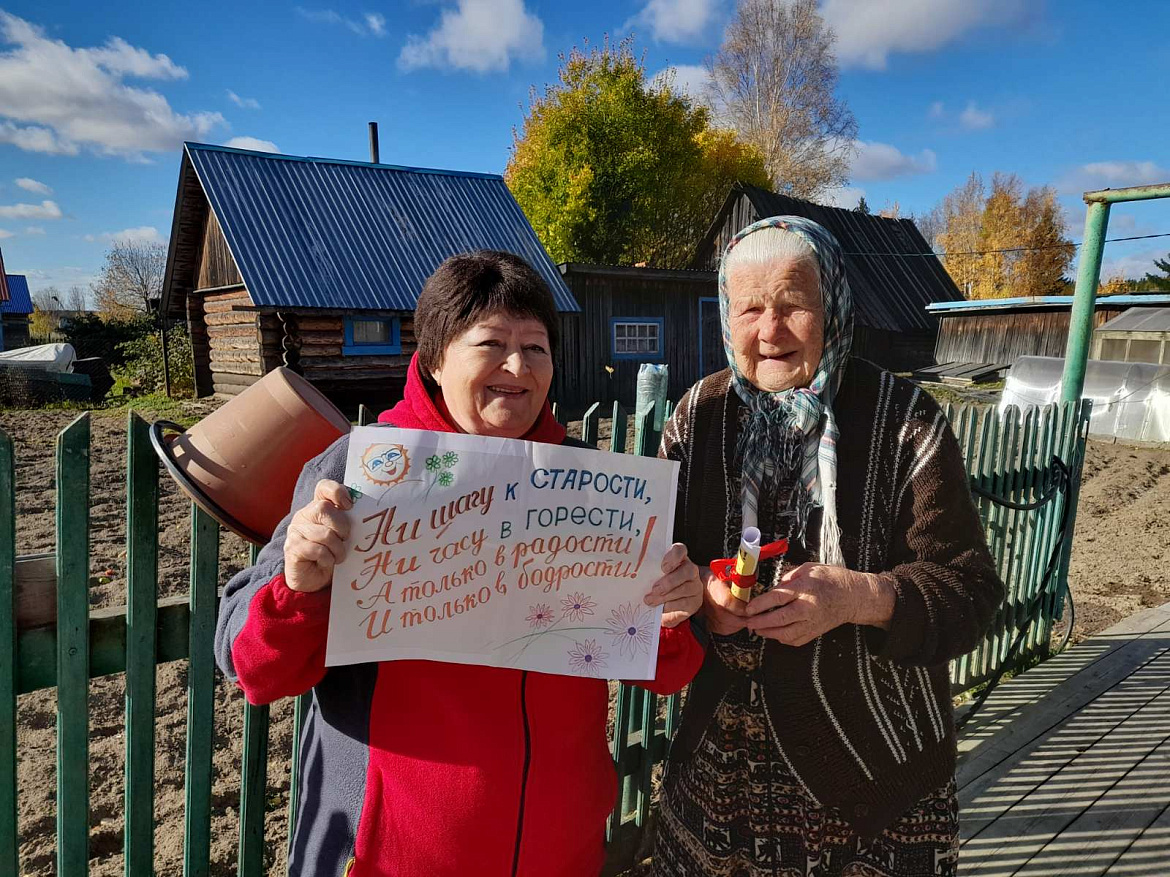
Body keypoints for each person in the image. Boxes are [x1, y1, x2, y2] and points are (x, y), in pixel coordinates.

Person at [215, 250, 707, 877]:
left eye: (535, 348)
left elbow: (663, 674)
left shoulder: (589, 486)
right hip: (391, 854)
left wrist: (668, 615)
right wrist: (298, 588)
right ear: (434, 357)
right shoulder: (360, 474)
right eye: (492, 343)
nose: (516, 367)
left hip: (563, 847)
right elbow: (252, 668)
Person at [652, 217, 1004, 876]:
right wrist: (701, 588)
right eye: (750, 308)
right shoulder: (696, 417)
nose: (769, 329)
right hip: (712, 787)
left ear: (834, 307)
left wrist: (860, 597)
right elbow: (651, 570)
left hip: (872, 790)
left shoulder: (904, 421)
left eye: (792, 305)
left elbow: (971, 593)